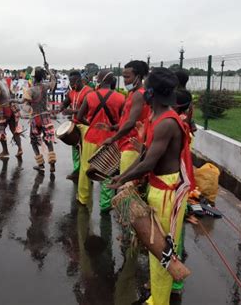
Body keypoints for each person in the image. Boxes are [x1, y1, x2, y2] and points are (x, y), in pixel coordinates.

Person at [108, 67, 195, 305]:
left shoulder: (167, 122)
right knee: (156, 249)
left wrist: (124, 179)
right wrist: (124, 175)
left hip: (166, 192)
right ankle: (157, 297)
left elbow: (149, 162)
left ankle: (160, 301)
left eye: (146, 86)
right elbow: (145, 154)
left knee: (161, 252)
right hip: (157, 186)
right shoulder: (154, 117)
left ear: (151, 93)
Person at [76, 70, 125, 212]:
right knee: (108, 171)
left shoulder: (90, 96)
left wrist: (90, 123)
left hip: (91, 137)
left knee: (85, 168)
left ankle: (83, 198)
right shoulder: (121, 98)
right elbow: (123, 121)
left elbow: (79, 117)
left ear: (100, 80)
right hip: (111, 139)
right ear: (112, 81)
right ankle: (105, 203)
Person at [101, 60, 150, 181]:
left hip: (131, 146)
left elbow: (131, 122)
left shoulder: (139, 94)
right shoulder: (133, 93)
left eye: (127, 77)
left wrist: (113, 138)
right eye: (123, 77)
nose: (125, 80)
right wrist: (113, 127)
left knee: (125, 187)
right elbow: (126, 120)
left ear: (138, 77)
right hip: (126, 144)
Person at [59, 70, 93, 181]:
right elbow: (65, 102)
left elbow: (89, 109)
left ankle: (85, 175)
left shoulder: (89, 92)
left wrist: (72, 112)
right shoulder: (71, 92)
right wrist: (61, 107)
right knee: (76, 151)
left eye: (73, 82)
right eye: (70, 81)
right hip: (74, 125)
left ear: (79, 80)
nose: (71, 84)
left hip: (85, 125)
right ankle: (77, 172)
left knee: (84, 152)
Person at [23, 63, 57, 172]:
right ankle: (52, 164)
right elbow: (54, 81)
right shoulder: (45, 86)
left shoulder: (30, 90)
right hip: (46, 117)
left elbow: (26, 105)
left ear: (34, 78)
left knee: (33, 141)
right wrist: (49, 70)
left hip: (35, 118)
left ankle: (41, 164)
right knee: (48, 140)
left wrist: (28, 110)